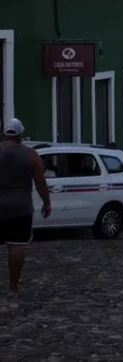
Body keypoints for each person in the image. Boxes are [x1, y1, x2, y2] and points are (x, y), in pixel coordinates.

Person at [0, 119, 52, 299]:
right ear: (21, 135)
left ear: (4, 134)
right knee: (16, 246)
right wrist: (47, 202)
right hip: (20, 208)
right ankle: (13, 287)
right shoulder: (31, 155)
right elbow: (40, 183)